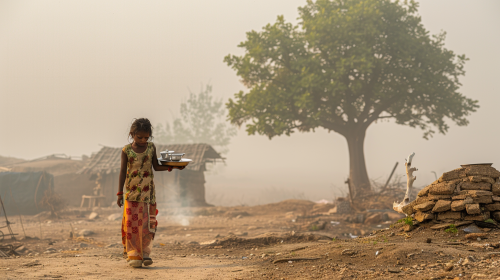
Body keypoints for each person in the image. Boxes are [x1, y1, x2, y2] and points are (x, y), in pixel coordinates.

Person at [117, 118, 184, 268]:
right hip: (132, 194)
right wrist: (119, 193)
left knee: (147, 224)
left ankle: (145, 253)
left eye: (146, 137)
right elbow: (122, 171)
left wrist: (172, 167)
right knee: (132, 224)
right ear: (132, 134)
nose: (143, 140)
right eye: (139, 137)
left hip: (148, 195)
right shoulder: (126, 150)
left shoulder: (151, 148)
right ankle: (133, 253)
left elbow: (156, 166)